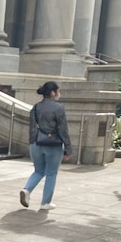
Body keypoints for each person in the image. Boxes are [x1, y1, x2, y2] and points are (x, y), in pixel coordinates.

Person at [19, 81, 72, 210]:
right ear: (53, 92)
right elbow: (62, 129)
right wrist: (68, 148)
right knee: (51, 173)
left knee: (38, 171)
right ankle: (45, 202)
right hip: (53, 145)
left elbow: (32, 128)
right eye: (58, 91)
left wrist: (32, 142)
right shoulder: (59, 107)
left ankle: (27, 190)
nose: (59, 94)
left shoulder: (36, 107)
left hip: (36, 143)